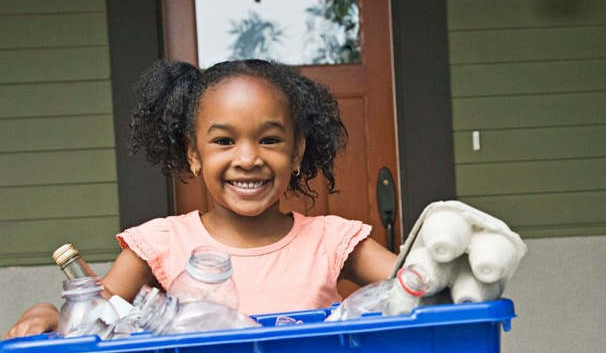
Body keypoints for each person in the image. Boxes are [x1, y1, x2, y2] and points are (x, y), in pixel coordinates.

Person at [6, 59, 397, 337]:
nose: (247, 159)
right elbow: (93, 316)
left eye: (270, 140)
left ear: (296, 154)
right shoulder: (162, 243)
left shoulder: (333, 241)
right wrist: (46, 313)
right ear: (194, 154)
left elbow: (421, 285)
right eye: (224, 141)